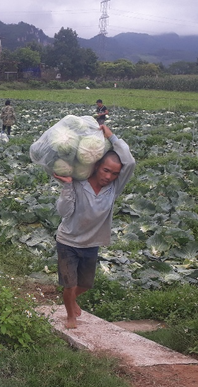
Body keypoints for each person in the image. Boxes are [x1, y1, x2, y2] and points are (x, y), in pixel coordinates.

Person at [52, 125, 136, 329]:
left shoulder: (114, 189)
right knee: (69, 283)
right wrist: (66, 185)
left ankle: (70, 300)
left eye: (115, 174)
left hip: (91, 243)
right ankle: (70, 315)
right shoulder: (78, 184)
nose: (109, 177)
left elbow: (130, 161)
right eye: (106, 170)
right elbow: (63, 211)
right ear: (97, 166)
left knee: (84, 285)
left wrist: (112, 137)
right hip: (68, 241)